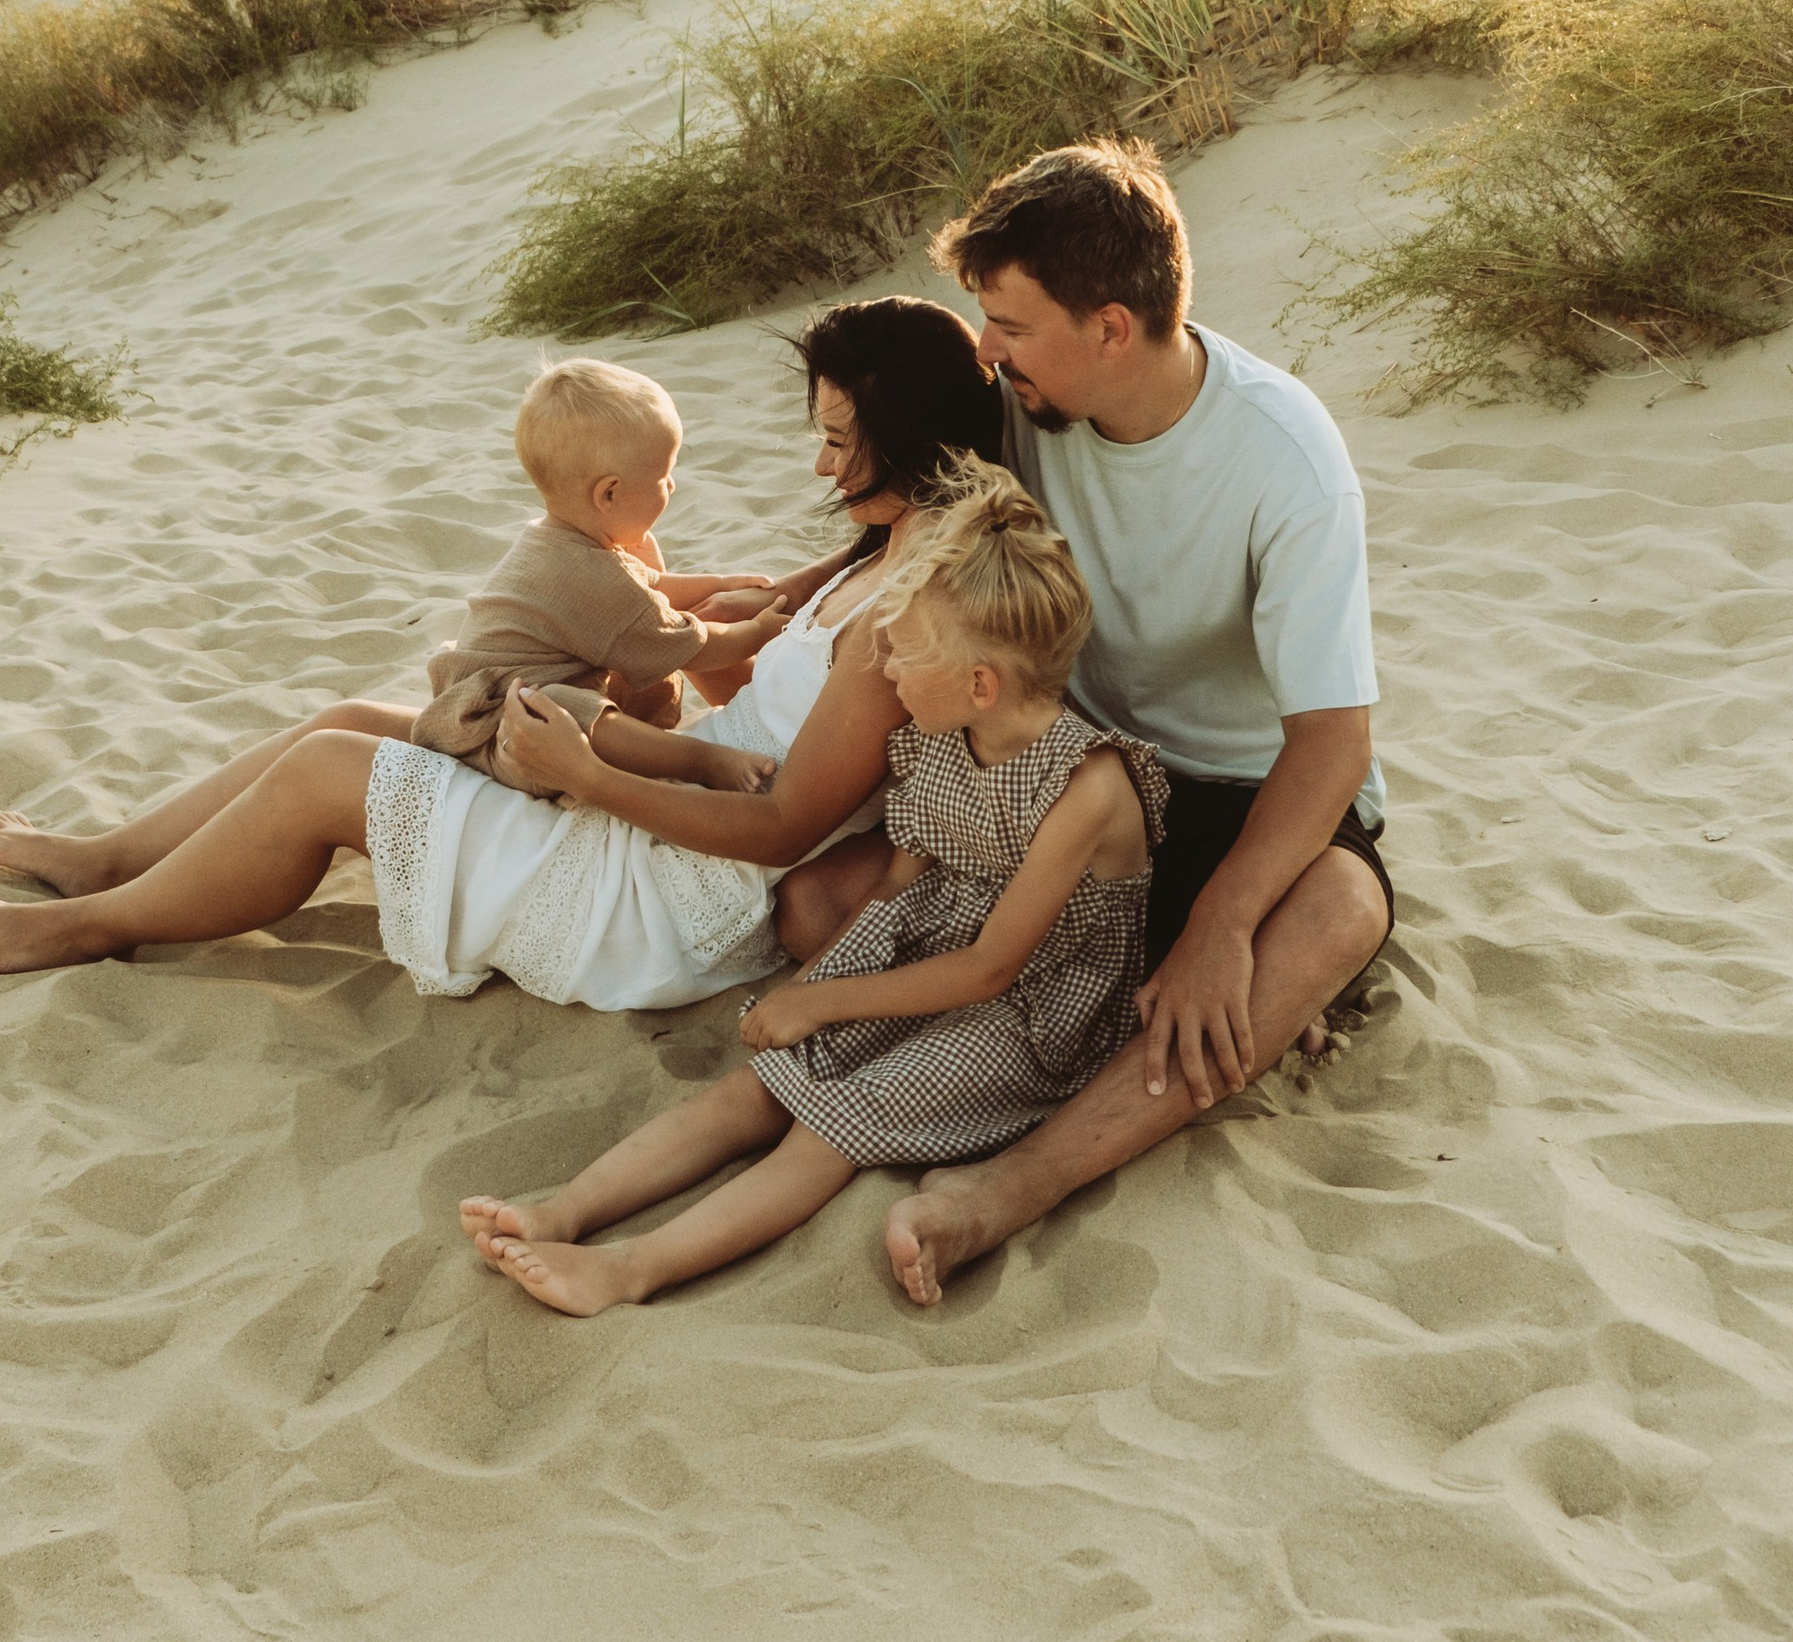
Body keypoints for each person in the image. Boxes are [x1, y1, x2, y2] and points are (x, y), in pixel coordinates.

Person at [0, 297, 1005, 1006]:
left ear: (908, 437)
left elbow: (780, 828)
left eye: (836, 439)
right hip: (663, 796)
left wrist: (587, 769)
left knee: (327, 775)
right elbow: (741, 691)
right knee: (344, 724)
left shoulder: (905, 621)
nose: (820, 467)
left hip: (675, 890)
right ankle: (111, 859)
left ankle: (93, 926)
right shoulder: (866, 558)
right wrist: (699, 625)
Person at [787, 142, 1395, 1307]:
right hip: (1062, 768)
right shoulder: (1028, 405)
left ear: (1111, 327)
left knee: (1337, 912)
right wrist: (789, 592)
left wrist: (1221, 925)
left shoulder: (1285, 460)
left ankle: (1007, 1187)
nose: (985, 349)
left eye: (1008, 322)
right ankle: (1187, 1002)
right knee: (817, 903)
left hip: (1235, 791)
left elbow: (1332, 739)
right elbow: (920, 521)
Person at [459, 461, 1163, 1314]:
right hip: (932, 952)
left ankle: (634, 1267)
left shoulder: (1085, 787)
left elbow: (990, 969)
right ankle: (563, 1212)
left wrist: (826, 1006)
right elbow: (904, 879)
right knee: (758, 1086)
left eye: (900, 653)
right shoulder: (945, 734)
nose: (884, 670)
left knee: (830, 1123)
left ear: (981, 683)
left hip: (1032, 1007)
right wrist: (823, 983)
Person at [405, 357, 788, 781]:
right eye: (663, 476)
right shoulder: (582, 571)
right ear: (609, 493)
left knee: (573, 700)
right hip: (507, 733)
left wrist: (719, 583)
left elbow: (648, 587)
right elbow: (687, 644)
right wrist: (758, 632)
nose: (673, 486)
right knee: (571, 711)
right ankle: (703, 761)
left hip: (495, 707)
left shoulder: (557, 539)